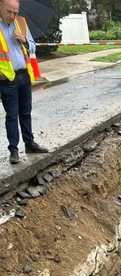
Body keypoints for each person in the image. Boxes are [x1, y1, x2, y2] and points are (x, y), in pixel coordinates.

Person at [0, 0, 48, 164]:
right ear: (0, 8)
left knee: (26, 112)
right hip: (7, 79)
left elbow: (33, 46)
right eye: (9, 12)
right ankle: (13, 150)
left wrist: (25, 41)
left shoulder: (20, 22)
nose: (13, 15)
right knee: (12, 115)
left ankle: (29, 144)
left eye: (16, 12)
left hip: (24, 75)